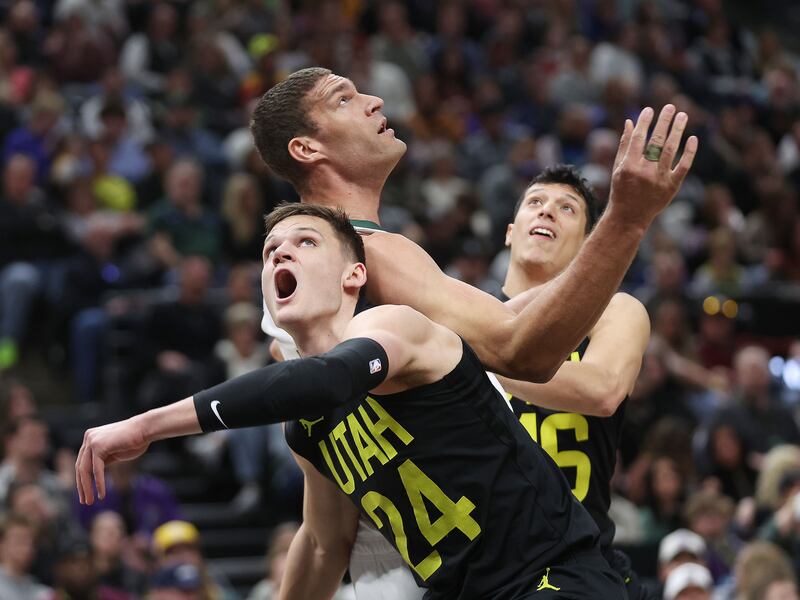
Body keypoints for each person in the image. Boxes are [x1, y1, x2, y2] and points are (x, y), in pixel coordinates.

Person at [248, 67, 694, 600]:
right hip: (472, 567)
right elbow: (519, 350)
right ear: (306, 148)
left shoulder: (295, 301)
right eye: (343, 99)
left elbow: (323, 537)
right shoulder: (368, 256)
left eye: (567, 209)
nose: (373, 100)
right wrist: (627, 219)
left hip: (433, 568)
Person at [77, 204, 630, 600]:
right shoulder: (307, 427)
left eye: (305, 242)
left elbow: (328, 379)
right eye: (271, 251)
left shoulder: (394, 325)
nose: (281, 253)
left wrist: (147, 426)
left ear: (354, 274)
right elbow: (322, 544)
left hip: (550, 574)